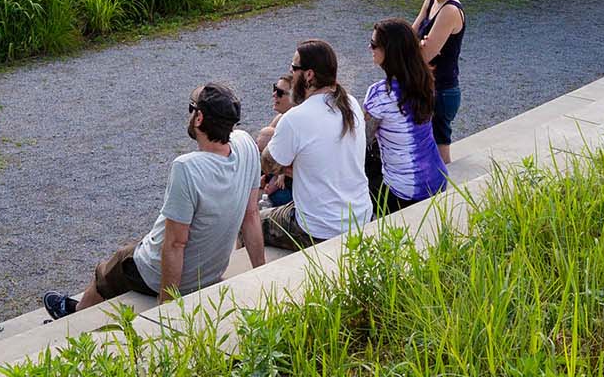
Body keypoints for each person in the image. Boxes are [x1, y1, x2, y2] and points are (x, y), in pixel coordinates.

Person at [41, 83, 265, 319]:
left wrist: (167, 309)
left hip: (168, 275)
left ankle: (73, 314)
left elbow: (175, 244)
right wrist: (263, 274)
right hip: (210, 271)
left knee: (114, 266)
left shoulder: (187, 167)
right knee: (142, 244)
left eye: (191, 108)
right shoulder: (246, 144)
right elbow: (251, 215)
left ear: (199, 118)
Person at [260, 39, 370, 251]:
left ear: (309, 75)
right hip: (360, 216)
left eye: (293, 68)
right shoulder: (351, 103)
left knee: (254, 222)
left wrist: (275, 144)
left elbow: (268, 164)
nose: (291, 74)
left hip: (318, 229)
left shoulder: (295, 118)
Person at [364, 19, 447, 213]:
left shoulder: (379, 94)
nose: (369, 47)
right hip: (437, 180)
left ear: (390, 51)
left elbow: (363, 139)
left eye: (374, 44)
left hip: (402, 192)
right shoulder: (425, 81)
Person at [411, 0, 466, 162]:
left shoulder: (450, 10)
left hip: (442, 91)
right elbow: (411, 35)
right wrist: (416, 43)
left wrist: (417, 46)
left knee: (440, 154)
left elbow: (424, 54)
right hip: (428, 86)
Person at [255, 74, 296, 207]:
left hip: (293, 187)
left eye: (279, 92)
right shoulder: (281, 118)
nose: (274, 95)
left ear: (294, 98)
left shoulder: (297, 125)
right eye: (274, 89)